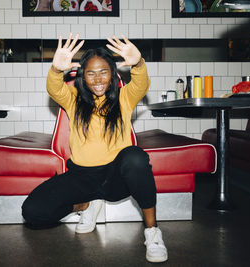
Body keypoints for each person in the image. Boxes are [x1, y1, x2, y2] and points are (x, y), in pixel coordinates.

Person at [22, 33, 168, 263]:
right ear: (83, 76)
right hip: (81, 177)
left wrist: (139, 63)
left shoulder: (124, 97)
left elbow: (141, 83)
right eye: (90, 72)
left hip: (115, 178)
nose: (97, 78)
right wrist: (56, 70)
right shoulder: (73, 98)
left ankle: (153, 232)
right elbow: (54, 89)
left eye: (103, 71)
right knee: (32, 212)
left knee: (135, 157)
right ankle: (85, 204)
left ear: (113, 74)